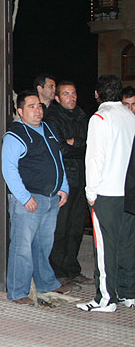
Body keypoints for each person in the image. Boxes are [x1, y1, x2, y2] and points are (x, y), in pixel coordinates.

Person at [1, 90, 74, 305]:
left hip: (51, 198)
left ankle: (46, 283)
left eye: (39, 106)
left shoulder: (48, 129)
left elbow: (58, 159)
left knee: (43, 245)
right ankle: (17, 291)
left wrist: (64, 187)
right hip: (29, 200)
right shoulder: (15, 134)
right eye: (31, 106)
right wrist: (24, 197)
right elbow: (9, 169)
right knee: (21, 248)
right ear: (20, 111)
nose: (37, 110)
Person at [77, 75, 135, 312]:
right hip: (129, 192)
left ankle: (106, 298)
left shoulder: (100, 118)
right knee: (127, 244)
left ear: (96, 94)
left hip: (107, 193)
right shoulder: (130, 116)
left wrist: (91, 192)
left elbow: (94, 159)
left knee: (104, 247)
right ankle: (129, 293)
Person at [44, 81, 92, 286]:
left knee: (76, 228)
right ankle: (57, 269)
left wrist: (76, 142)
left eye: (73, 94)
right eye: (66, 94)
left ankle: (72, 268)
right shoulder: (52, 118)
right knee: (60, 228)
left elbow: (92, 144)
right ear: (57, 97)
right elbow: (60, 149)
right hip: (63, 181)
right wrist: (79, 144)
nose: (71, 98)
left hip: (83, 179)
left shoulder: (83, 116)